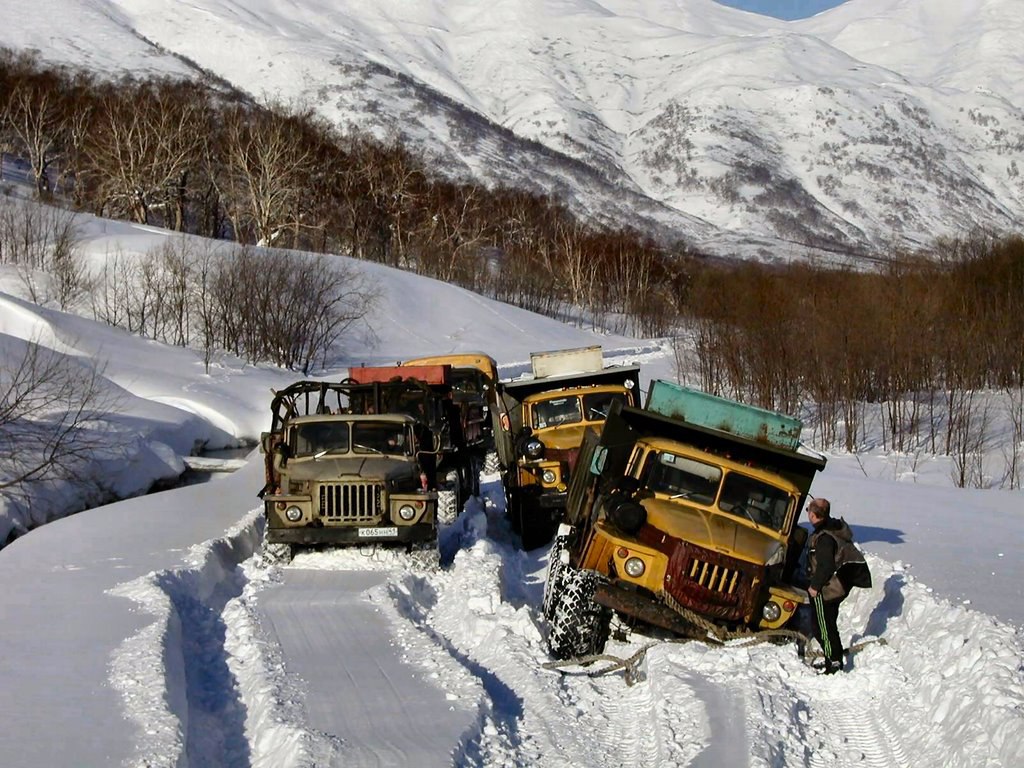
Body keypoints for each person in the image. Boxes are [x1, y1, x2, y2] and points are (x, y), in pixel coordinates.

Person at [805, 497, 870, 675]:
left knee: (821, 627)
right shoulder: (832, 529)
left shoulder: (824, 537)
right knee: (828, 625)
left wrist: (815, 586)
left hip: (825, 589)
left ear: (812, 514)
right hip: (837, 587)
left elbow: (826, 565)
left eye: (808, 511)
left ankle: (833, 663)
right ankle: (833, 659)